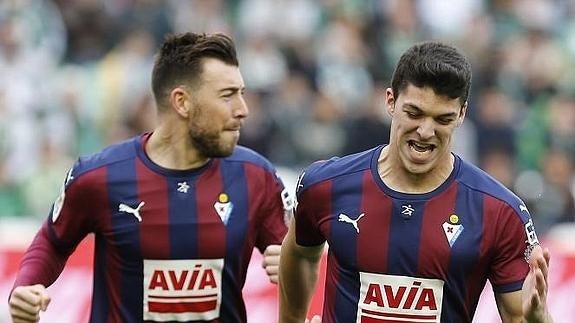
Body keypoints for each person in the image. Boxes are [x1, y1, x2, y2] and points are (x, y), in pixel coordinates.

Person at [8, 32, 292, 323]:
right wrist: (25, 287)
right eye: (227, 95)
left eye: (241, 94)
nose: (243, 110)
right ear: (182, 102)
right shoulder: (101, 177)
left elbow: (296, 254)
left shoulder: (256, 177)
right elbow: (53, 241)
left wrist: (292, 263)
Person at [279, 41, 554, 323]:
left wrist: (539, 320)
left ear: (461, 115)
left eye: (443, 119)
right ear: (390, 101)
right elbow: (300, 253)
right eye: (414, 113)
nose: (425, 131)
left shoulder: (499, 211)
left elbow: (520, 315)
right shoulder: (326, 185)